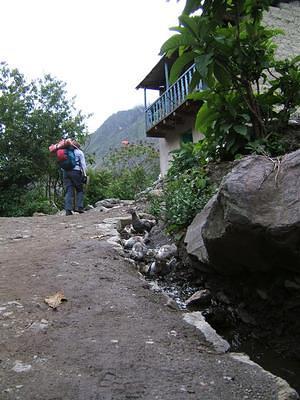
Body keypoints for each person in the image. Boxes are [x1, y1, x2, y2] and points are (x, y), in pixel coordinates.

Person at [63, 140, 87, 216]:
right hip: (76, 172)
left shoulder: (65, 151)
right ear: (78, 147)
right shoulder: (79, 152)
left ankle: (68, 210)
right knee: (79, 190)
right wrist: (85, 175)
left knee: (69, 191)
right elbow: (83, 165)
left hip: (66, 172)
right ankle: (80, 207)